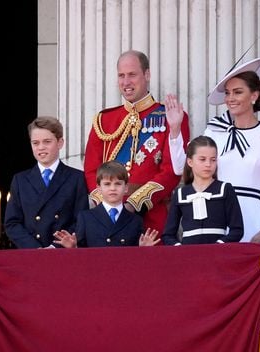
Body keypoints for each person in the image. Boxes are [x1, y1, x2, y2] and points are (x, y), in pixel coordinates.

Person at [167, 56, 260, 244]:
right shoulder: (214, 132)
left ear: (254, 96)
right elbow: (180, 169)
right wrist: (175, 130)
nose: (230, 98)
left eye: (237, 92)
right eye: (228, 93)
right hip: (215, 214)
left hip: (252, 217)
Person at [83, 50, 190, 237]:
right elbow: (91, 170)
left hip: (152, 220)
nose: (126, 82)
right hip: (108, 219)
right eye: (121, 76)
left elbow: (172, 171)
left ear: (147, 75)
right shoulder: (104, 120)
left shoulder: (169, 116)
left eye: (132, 74)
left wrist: (134, 203)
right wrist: (107, 204)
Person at [4, 116, 89, 248]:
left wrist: (56, 247)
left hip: (62, 254)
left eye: (47, 142)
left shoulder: (76, 178)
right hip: (31, 255)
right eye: (35, 143)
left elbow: (81, 220)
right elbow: (12, 223)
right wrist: (35, 248)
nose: (41, 147)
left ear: (60, 143)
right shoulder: (20, 180)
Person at [53, 160, 160, 247]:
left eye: (118, 184)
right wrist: (73, 247)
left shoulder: (135, 221)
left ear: (126, 188)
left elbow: (137, 261)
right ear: (98, 188)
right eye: (107, 184)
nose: (113, 188)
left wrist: (144, 250)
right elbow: (81, 256)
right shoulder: (86, 218)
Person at [162, 136, 243, 245]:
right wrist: (179, 248)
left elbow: (237, 230)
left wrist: (219, 245)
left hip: (217, 254)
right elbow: (168, 235)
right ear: (190, 162)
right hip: (189, 256)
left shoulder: (225, 189)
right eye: (202, 159)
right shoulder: (180, 194)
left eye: (213, 160)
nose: (208, 164)